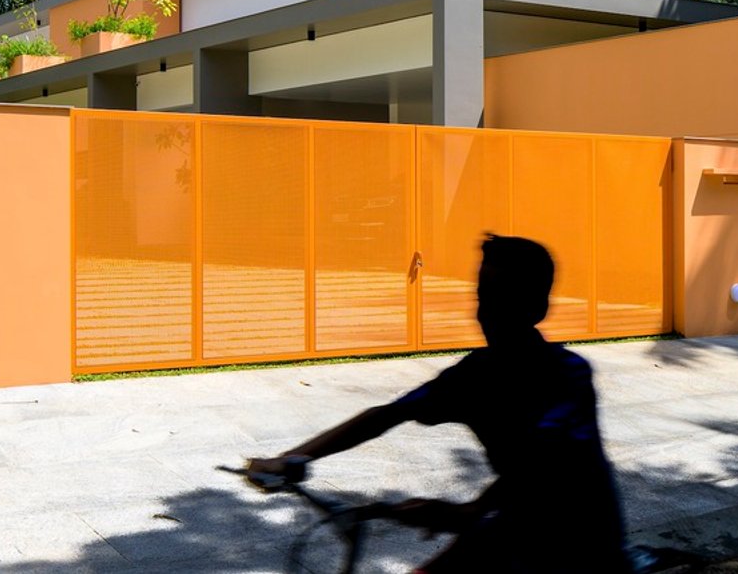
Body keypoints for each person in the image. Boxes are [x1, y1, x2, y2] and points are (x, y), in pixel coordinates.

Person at [246, 235, 632, 573]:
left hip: (584, 538)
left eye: (504, 298)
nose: (489, 311)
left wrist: (471, 510)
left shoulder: (567, 374)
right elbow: (386, 416)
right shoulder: (473, 375)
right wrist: (292, 459)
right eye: (483, 296)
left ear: (537, 307)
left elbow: (542, 460)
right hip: (516, 521)